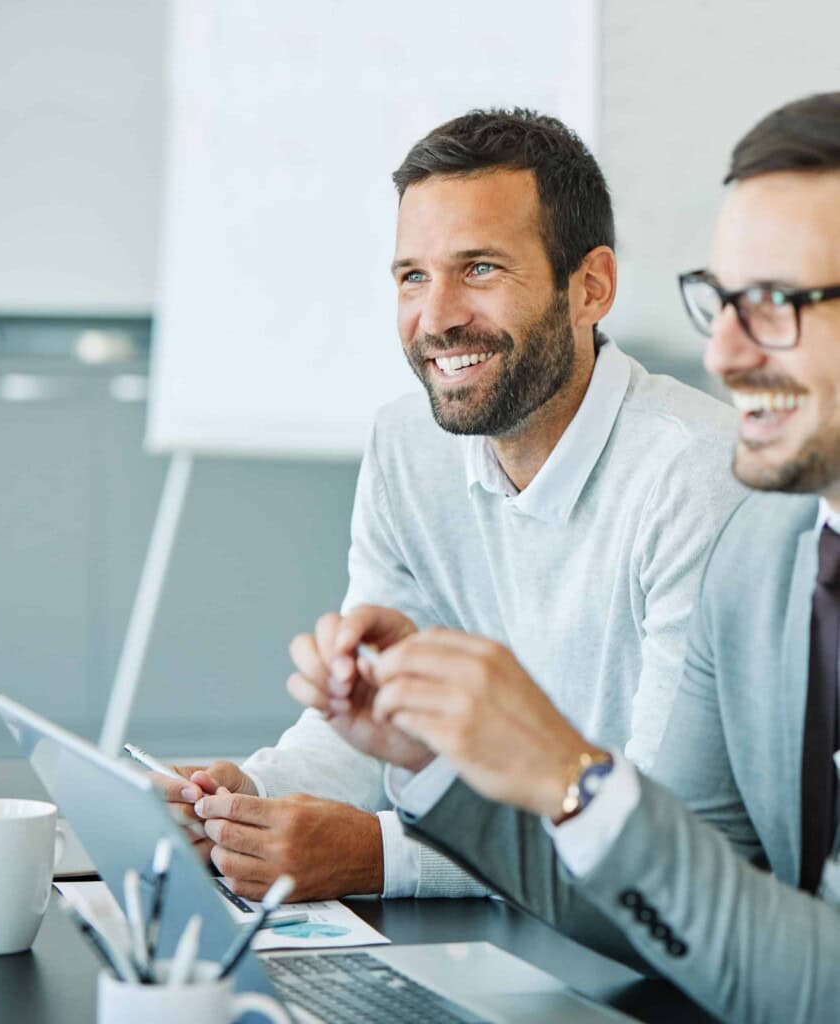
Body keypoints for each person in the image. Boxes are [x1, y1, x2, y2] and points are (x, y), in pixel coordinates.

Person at [289, 92, 840, 1021]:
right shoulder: (769, 547)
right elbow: (670, 912)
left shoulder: (708, 491)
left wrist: (570, 777)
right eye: (725, 300)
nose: (726, 351)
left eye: (781, 302)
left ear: (590, 287)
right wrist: (431, 766)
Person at [155, 108, 743, 903]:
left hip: (650, 948)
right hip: (505, 915)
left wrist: (389, 857)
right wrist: (251, 798)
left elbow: (668, 834)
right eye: (412, 276)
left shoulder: (695, 474)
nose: (435, 319)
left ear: (591, 287)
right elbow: (375, 721)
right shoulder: (406, 445)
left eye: (480, 269)